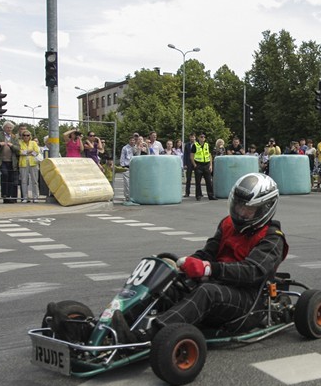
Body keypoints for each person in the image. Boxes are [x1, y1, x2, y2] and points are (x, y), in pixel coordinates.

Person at [123, 173, 288, 344]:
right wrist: (185, 264)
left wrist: (209, 269)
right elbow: (208, 253)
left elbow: (252, 271)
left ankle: (150, 335)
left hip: (248, 300)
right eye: (239, 206)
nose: (241, 213)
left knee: (207, 292)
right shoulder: (228, 224)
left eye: (248, 209)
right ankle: (116, 323)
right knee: (169, 283)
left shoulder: (272, 238)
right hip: (218, 284)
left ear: (264, 209)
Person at [0, 121, 20, 203]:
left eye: (10, 128)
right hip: (2, 160)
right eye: (7, 127)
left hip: (12, 161)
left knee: (11, 179)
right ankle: (4, 194)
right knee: (5, 174)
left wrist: (12, 146)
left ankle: (9, 196)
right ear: (4, 128)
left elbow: (18, 148)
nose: (9, 129)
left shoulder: (14, 137)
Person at [192, 133, 217, 201]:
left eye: (204, 137)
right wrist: (195, 165)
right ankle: (198, 195)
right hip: (198, 165)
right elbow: (192, 156)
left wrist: (211, 165)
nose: (203, 138)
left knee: (209, 181)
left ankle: (211, 195)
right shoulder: (195, 145)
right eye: (201, 137)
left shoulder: (207, 145)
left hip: (206, 165)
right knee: (198, 182)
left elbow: (210, 155)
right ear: (198, 138)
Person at [18, 131, 41, 202]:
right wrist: (29, 152)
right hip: (23, 163)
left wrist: (25, 152)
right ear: (22, 136)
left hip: (33, 163)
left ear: (30, 136)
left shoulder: (33, 143)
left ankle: (35, 197)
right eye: (24, 135)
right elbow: (19, 152)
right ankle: (25, 197)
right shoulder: (19, 143)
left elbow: (37, 152)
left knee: (34, 181)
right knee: (24, 181)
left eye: (27, 135)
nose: (26, 137)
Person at [119, 134, 137, 201]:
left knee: (134, 183)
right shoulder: (125, 148)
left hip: (135, 167)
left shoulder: (136, 147)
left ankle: (133, 196)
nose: (132, 141)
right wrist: (122, 165)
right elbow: (122, 157)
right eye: (131, 140)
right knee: (127, 183)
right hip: (127, 166)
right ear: (129, 141)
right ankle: (127, 196)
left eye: (133, 140)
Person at [183, 133, 197, 198]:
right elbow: (185, 154)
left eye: (193, 137)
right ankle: (187, 192)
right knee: (188, 178)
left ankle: (198, 193)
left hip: (196, 162)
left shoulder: (197, 144)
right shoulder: (187, 145)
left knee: (198, 178)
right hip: (189, 163)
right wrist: (185, 163)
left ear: (195, 138)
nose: (192, 138)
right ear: (189, 138)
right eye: (191, 137)